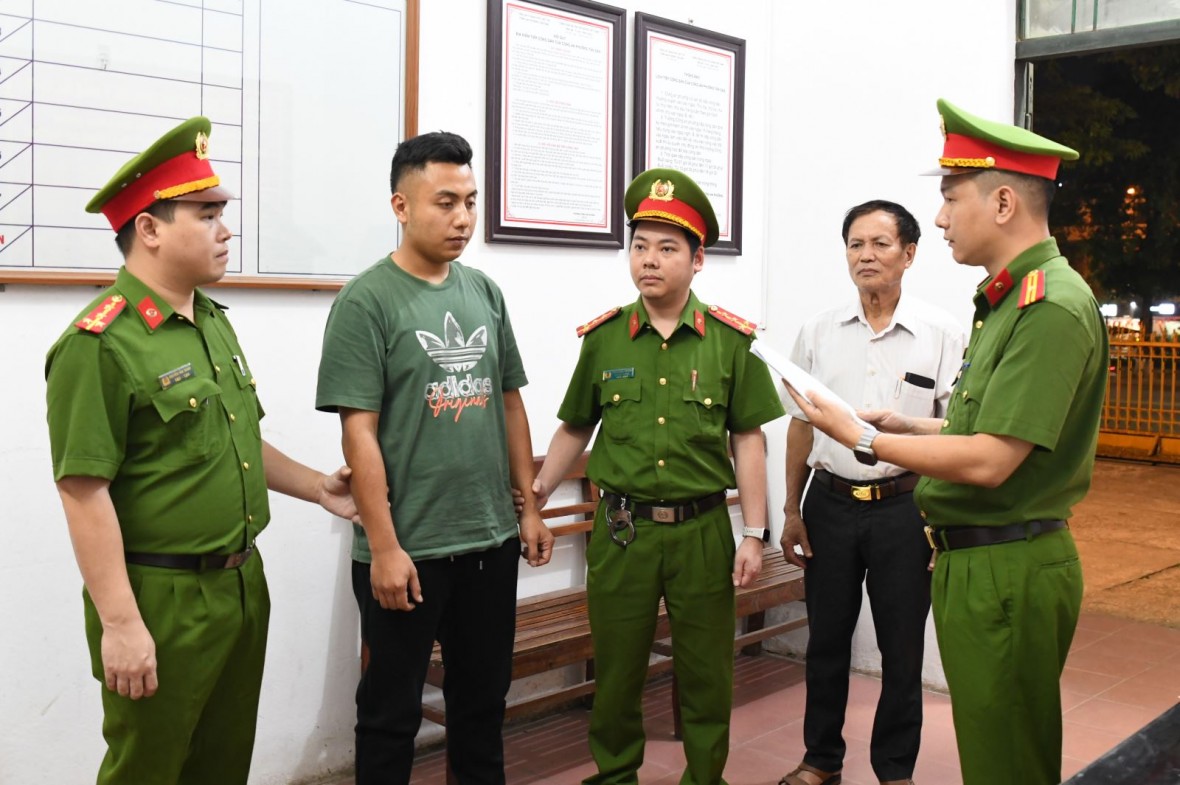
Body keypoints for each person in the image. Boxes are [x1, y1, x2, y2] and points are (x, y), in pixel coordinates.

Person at [785, 99, 1107, 785]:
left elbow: (991, 459)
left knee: (1006, 758)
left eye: (950, 198)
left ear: (1001, 203)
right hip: (976, 554)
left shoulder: (1046, 305)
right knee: (992, 747)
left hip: (1006, 562)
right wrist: (907, 425)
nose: (939, 218)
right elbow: (983, 428)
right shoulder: (1005, 302)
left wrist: (863, 436)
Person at [44, 116, 358, 785]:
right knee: (148, 768)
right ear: (149, 228)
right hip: (162, 598)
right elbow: (82, 490)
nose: (225, 230)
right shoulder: (99, 343)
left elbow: (234, 444)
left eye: (222, 214)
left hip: (240, 584)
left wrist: (318, 487)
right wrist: (121, 623)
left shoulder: (209, 321)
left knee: (221, 764)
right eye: (207, 214)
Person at [315, 130, 554, 785]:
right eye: (445, 202)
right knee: (390, 717)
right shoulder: (367, 301)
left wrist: (528, 509)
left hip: (488, 543)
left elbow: (509, 403)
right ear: (401, 206)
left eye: (470, 202)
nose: (462, 218)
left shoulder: (485, 292)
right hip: (409, 549)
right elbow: (358, 434)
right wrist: (384, 546)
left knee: (482, 708)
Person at [531, 168, 784, 785]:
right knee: (617, 670)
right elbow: (574, 428)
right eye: (639, 245)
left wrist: (754, 533)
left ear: (697, 260)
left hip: (703, 532)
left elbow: (748, 441)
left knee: (706, 671)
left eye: (667, 248)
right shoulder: (605, 339)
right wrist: (535, 499)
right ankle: (616, 774)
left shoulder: (731, 341)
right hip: (624, 532)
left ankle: (705, 777)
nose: (649, 260)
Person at [779, 201, 964, 785]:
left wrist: (941, 520)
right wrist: (791, 509)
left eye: (880, 244)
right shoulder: (817, 331)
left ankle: (895, 770)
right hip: (828, 504)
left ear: (909, 254)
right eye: (855, 244)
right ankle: (820, 760)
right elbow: (800, 426)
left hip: (906, 509)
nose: (866, 255)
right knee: (825, 642)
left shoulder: (943, 333)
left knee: (902, 649)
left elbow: (957, 433)